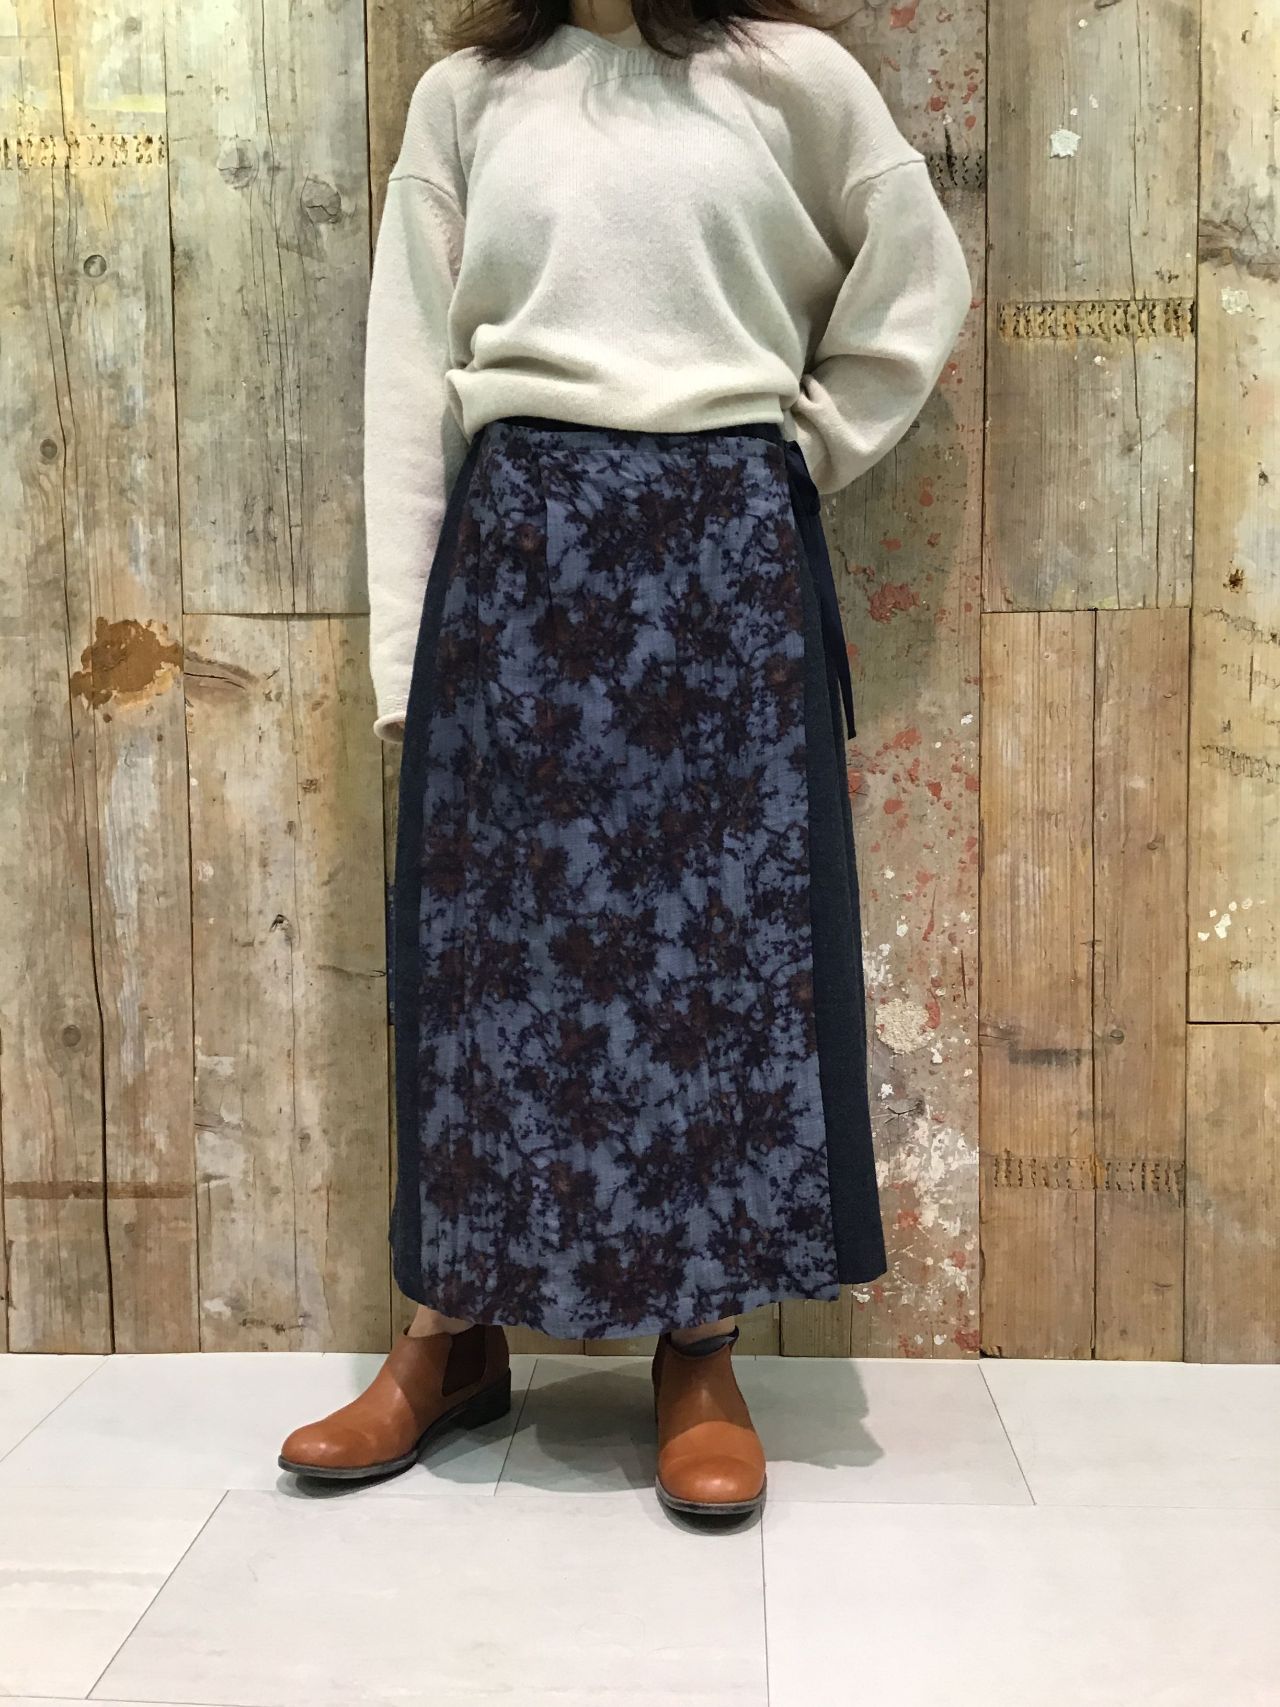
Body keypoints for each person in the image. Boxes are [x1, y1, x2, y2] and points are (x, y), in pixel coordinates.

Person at [279, 0, 970, 1521]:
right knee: (488, 964)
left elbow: (920, 273)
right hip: (517, 561)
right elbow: (408, 380)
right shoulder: (471, 95)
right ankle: (449, 1338)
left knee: (716, 964)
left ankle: (697, 1345)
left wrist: (806, 442)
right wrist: (405, 666)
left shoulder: (790, 80)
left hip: (727, 569)